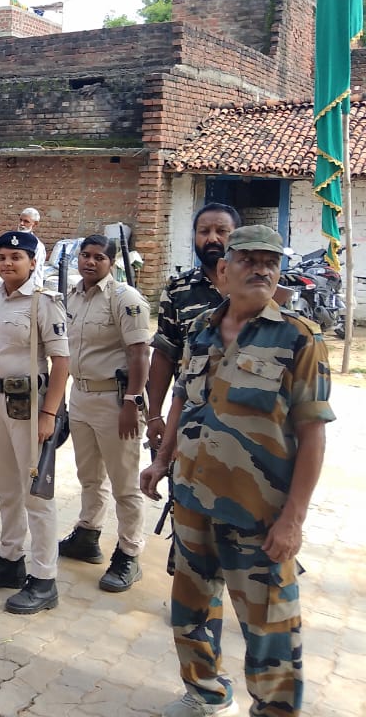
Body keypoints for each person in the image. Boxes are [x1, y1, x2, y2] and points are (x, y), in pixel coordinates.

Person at [140, 225, 333, 717]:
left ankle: (273, 709)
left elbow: (313, 432)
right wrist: (161, 460)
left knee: (270, 625)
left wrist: (294, 518)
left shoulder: (298, 338)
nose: (262, 269)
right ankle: (205, 693)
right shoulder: (203, 326)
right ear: (224, 270)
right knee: (191, 611)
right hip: (192, 502)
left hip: (259, 513)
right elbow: (184, 393)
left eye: (271, 261)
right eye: (249, 259)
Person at [0, 230, 69, 614]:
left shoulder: (44, 303)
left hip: (28, 405)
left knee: (36, 494)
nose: (8, 263)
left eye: (16, 257)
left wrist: (49, 413)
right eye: (2, 257)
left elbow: (61, 362)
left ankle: (44, 578)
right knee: (7, 488)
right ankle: (10, 561)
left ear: (32, 262)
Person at [58, 234, 151, 593]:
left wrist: (132, 401)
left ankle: (129, 553)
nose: (90, 262)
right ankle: (88, 533)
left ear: (111, 262)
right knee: (89, 475)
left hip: (115, 401)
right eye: (85, 255)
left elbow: (140, 353)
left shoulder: (124, 298)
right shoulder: (74, 295)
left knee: (125, 483)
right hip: (81, 396)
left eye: (98, 257)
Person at [146, 203, 242, 454]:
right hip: (191, 418)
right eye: (204, 231)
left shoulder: (255, 288)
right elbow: (165, 353)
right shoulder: (179, 288)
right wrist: (154, 415)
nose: (212, 238)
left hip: (246, 423)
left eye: (222, 231)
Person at [17, 207, 49, 273]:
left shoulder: (37, 246)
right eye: (20, 220)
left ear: (35, 224)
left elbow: (36, 271)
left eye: (26, 221)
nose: (21, 224)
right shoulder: (12, 240)